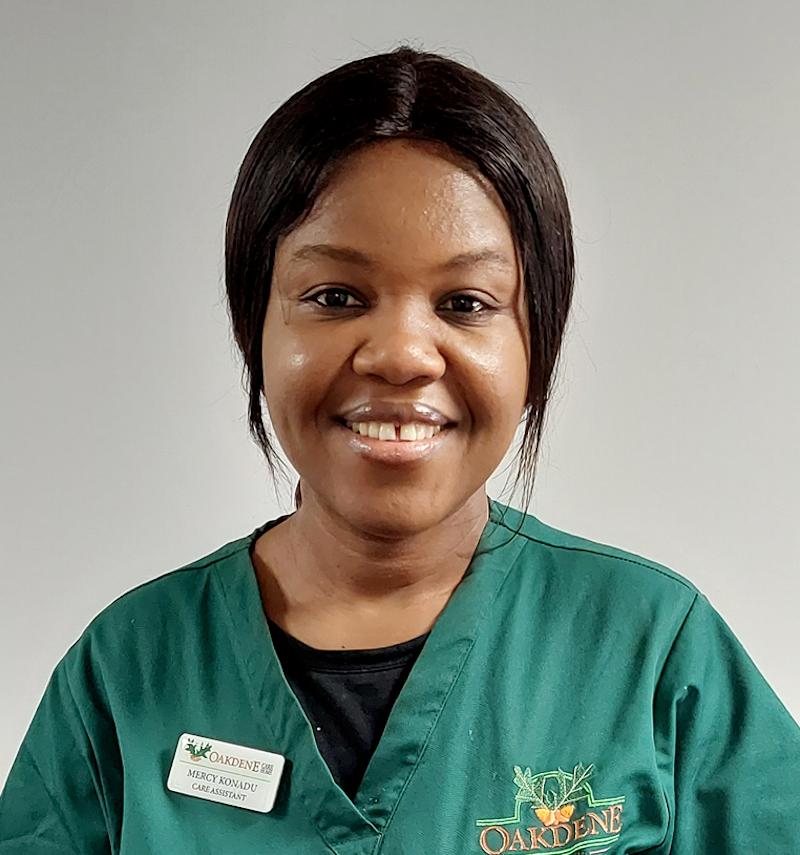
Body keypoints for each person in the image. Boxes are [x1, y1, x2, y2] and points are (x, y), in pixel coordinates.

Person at [1, 44, 798, 855]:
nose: (402, 355)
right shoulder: (126, 672)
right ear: (254, 328)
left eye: (466, 302)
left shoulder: (652, 653)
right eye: (335, 296)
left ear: (538, 345)